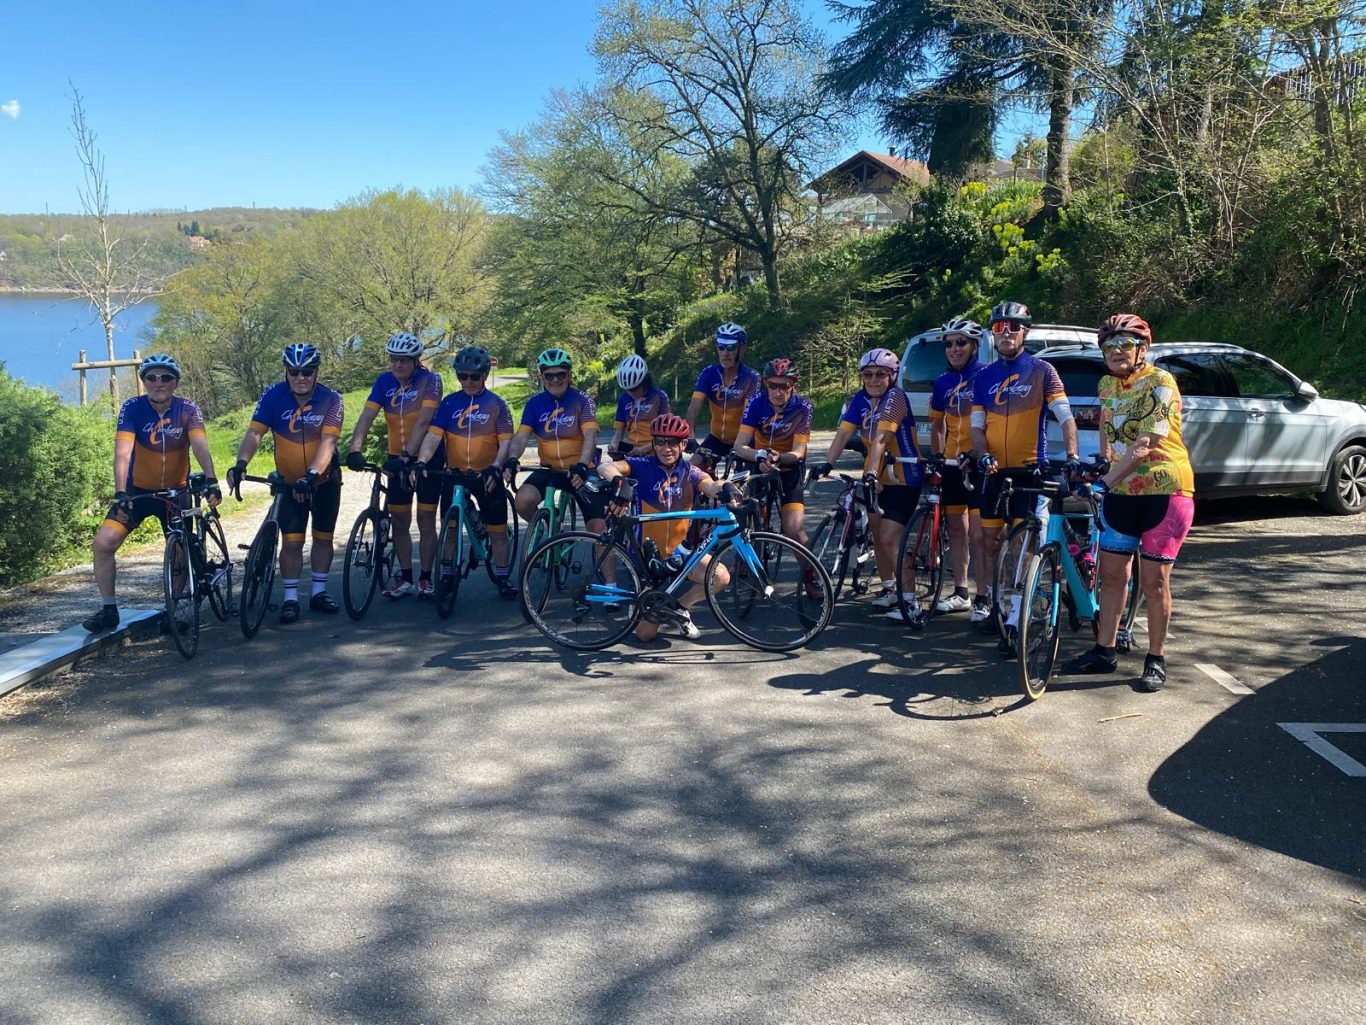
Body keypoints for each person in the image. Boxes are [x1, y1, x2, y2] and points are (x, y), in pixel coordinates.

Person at [1063, 314, 1195, 692]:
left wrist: (1104, 482)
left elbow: (1145, 444)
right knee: (1111, 576)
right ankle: (1104, 651)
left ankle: (1156, 658)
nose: (1116, 351)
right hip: (1122, 493)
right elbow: (1107, 425)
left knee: (1154, 581)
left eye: (1125, 344)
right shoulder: (1107, 384)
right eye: (1109, 346)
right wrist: (1102, 461)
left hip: (1165, 492)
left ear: (1142, 349)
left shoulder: (1160, 382)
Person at [970, 301, 1080, 651]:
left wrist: (1073, 456)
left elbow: (1065, 417)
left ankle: (1017, 617)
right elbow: (976, 429)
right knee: (989, 542)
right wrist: (981, 453)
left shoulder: (1042, 371)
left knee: (1022, 546)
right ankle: (996, 606)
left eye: (1013, 327)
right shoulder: (983, 377)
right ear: (993, 334)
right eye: (999, 327)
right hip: (993, 471)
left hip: (1029, 471)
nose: (1006, 333)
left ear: (1025, 332)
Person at [83, 354, 220, 633]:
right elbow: (123, 453)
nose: (159, 383)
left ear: (175, 382)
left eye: (166, 377)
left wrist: (211, 479)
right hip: (138, 492)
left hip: (176, 493)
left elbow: (199, 446)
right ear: (144, 381)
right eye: (152, 377)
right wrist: (120, 492)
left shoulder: (188, 409)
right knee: (103, 543)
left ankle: (172, 610)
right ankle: (108, 610)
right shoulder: (132, 408)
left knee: (180, 552)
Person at [226, 343, 345, 625]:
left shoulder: (332, 399)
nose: (300, 377)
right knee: (292, 542)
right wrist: (241, 463)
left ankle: (318, 593)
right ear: (286, 372)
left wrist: (312, 475)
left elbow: (328, 442)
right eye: (294, 372)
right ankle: (291, 599)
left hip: (323, 481)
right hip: (289, 484)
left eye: (307, 371)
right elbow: (255, 433)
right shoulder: (273, 396)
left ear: (316, 372)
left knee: (323, 538)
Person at [598, 414, 737, 641]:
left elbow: (712, 485)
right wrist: (619, 482)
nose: (666, 448)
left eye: (672, 442)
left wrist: (727, 487)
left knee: (720, 576)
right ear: (653, 443)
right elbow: (606, 466)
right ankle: (645, 602)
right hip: (645, 557)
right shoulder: (641, 465)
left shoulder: (689, 472)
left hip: (679, 555)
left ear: (683, 445)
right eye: (660, 441)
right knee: (645, 635)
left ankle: (678, 608)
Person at [811, 347, 924, 614]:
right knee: (877, 536)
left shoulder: (896, 398)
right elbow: (843, 434)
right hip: (875, 478)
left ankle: (911, 601)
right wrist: (828, 463)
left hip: (903, 477)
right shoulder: (860, 399)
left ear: (892, 376)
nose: (873, 380)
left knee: (890, 538)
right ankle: (888, 588)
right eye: (868, 374)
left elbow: (881, 440)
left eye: (880, 374)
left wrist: (871, 472)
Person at [411, 346, 519, 599]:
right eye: (463, 376)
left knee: (497, 531)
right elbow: (433, 437)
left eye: (474, 376)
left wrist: (497, 466)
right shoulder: (449, 403)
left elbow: (506, 441)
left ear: (485, 375)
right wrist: (421, 461)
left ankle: (503, 577)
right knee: (450, 529)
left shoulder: (497, 405)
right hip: (455, 475)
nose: (468, 381)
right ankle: (448, 574)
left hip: (487, 475)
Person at [345, 332, 443, 599]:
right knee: (399, 520)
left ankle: (425, 578)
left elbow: (424, 421)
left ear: (416, 360)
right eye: (393, 359)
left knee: (425, 519)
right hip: (396, 457)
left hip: (426, 458)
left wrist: (407, 456)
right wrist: (355, 449)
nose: (398, 364)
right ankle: (406, 577)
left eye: (404, 360)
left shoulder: (431, 381)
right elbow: (366, 416)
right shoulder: (384, 381)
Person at [506, 348, 609, 535]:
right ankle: (549, 529)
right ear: (542, 377)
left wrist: (582, 465)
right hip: (550, 470)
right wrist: (512, 459)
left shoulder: (582, 401)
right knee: (522, 501)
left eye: (560, 374)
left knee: (598, 528)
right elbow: (521, 437)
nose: (555, 380)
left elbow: (590, 436)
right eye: (549, 375)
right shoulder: (534, 404)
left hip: (580, 470)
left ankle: (602, 553)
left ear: (569, 375)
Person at [928, 318, 988, 619]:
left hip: (978, 464)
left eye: (961, 342)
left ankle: (984, 597)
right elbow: (937, 425)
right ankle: (962, 592)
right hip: (952, 464)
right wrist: (938, 458)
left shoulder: (986, 376)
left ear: (974, 346)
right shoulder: (942, 382)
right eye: (949, 344)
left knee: (979, 535)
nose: (954, 348)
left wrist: (980, 454)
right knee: (955, 530)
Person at [733, 357, 813, 547]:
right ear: (765, 384)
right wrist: (759, 455)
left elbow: (798, 452)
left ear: (793, 385)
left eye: (784, 386)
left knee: (793, 530)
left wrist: (779, 458)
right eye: (773, 385)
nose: (778, 392)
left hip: (789, 469)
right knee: (745, 526)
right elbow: (739, 445)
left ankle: (810, 566)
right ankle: (747, 561)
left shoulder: (803, 407)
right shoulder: (755, 402)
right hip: (758, 464)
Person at [684, 322, 761, 461]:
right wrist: (690, 436)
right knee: (691, 468)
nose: (725, 353)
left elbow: (748, 415)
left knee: (744, 474)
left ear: (742, 348)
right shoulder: (708, 373)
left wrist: (739, 447)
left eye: (731, 347)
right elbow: (693, 408)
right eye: (721, 347)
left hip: (743, 440)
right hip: (716, 439)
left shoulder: (751, 377)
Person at [608, 354, 671, 459]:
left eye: (634, 389)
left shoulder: (659, 397)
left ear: (644, 383)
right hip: (632, 453)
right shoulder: (624, 399)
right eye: (627, 390)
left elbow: (667, 433)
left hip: (655, 453)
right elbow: (619, 433)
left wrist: (643, 449)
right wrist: (614, 446)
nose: (630, 393)